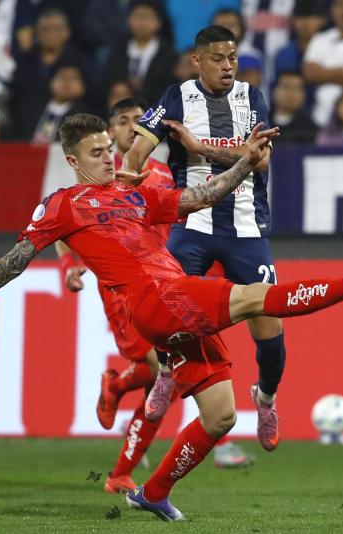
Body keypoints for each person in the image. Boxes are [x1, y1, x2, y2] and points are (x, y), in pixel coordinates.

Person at [0, 113, 343, 521]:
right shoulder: (62, 205)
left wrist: (245, 164)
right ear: (72, 160)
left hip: (171, 299)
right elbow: (15, 259)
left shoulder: (137, 192)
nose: (110, 156)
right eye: (96, 152)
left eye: (111, 147)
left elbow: (200, 197)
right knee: (259, 298)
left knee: (220, 416)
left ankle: (151, 491)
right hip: (156, 300)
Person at [56, 100, 254, 492]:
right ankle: (207, 438)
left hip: (168, 284)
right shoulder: (98, 182)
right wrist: (70, 267)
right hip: (125, 294)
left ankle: (120, 465)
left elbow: (187, 209)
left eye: (139, 120)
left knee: (160, 375)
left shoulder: (161, 175)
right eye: (123, 121)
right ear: (110, 133)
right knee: (164, 367)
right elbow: (62, 228)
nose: (133, 127)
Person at [121, 25, 288, 454]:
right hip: (192, 226)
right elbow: (136, 153)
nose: (228, 65)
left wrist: (199, 147)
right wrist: (130, 177)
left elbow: (260, 160)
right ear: (197, 61)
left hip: (247, 229)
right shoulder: (176, 97)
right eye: (218, 58)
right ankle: (164, 374)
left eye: (232, 57)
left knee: (270, 330)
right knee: (167, 309)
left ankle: (265, 398)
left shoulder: (253, 98)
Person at [11, 7, 92, 140]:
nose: (51, 33)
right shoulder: (25, 60)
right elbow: (17, 97)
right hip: (28, 125)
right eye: (45, 29)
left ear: (67, 32)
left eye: (56, 28)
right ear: (36, 33)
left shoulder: (80, 60)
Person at [96, 0, 177, 108]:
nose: (141, 22)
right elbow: (106, 83)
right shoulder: (117, 49)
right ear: (128, 20)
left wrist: (140, 90)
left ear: (158, 22)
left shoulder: (169, 54)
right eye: (137, 16)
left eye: (146, 17)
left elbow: (169, 91)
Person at [30, 62, 89, 144]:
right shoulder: (31, 109)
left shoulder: (85, 117)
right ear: (51, 83)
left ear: (83, 88)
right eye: (63, 77)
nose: (67, 82)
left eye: (73, 78)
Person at [270, 71, 317, 145]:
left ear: (304, 95)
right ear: (274, 91)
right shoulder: (260, 124)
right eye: (286, 86)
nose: (291, 93)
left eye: (296, 88)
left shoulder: (310, 129)